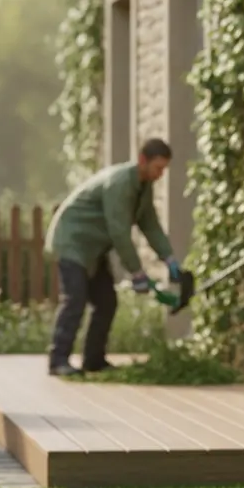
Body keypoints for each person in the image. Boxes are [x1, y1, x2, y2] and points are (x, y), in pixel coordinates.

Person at [44, 137, 182, 377]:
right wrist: (137, 272)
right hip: (73, 242)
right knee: (75, 300)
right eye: (158, 168)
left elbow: (150, 225)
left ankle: (93, 360)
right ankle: (58, 361)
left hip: (94, 249)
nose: (161, 174)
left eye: (164, 169)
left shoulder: (143, 186)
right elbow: (119, 232)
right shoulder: (119, 183)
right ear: (142, 160)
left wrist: (169, 258)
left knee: (106, 301)